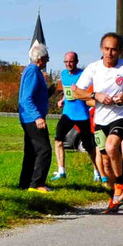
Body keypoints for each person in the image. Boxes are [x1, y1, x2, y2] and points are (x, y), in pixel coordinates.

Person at [73, 32, 123, 213]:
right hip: (101, 119)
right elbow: (77, 92)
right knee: (105, 163)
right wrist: (95, 95)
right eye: (106, 49)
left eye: (114, 50)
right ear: (101, 49)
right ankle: (113, 198)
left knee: (112, 145)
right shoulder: (93, 68)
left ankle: (121, 185)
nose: (110, 53)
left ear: (120, 51)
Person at [51, 52, 101, 184]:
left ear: (76, 61)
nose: (68, 64)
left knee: (88, 146)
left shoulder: (83, 75)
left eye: (71, 62)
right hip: (67, 114)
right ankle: (61, 171)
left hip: (82, 115)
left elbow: (90, 94)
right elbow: (67, 92)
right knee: (58, 140)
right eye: (66, 62)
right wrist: (62, 100)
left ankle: (97, 171)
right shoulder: (63, 74)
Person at [18, 43, 55, 193]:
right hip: (33, 118)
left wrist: (48, 92)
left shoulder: (33, 71)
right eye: (46, 57)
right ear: (39, 58)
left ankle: (25, 183)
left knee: (31, 151)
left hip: (28, 117)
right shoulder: (33, 71)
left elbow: (33, 95)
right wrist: (38, 117)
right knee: (44, 150)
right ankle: (37, 184)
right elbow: (26, 99)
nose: (48, 60)